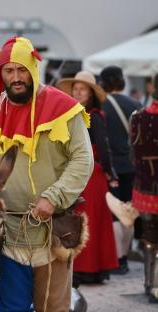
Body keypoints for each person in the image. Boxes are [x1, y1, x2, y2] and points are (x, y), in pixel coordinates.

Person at [0, 36, 93, 311]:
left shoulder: (64, 108)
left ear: (34, 69)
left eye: (22, 69)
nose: (16, 77)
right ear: (1, 73)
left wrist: (53, 197)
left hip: (53, 233)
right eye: (9, 70)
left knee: (53, 308)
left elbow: (83, 158)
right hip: (6, 234)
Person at [57, 71, 119, 286]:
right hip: (77, 173)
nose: (78, 92)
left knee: (88, 221)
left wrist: (111, 173)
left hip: (91, 175)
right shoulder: (71, 114)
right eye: (75, 89)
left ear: (91, 93)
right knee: (81, 220)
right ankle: (82, 268)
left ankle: (89, 270)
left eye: (82, 89)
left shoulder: (94, 116)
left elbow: (103, 147)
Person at [99, 65, 142, 274]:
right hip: (133, 167)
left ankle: (118, 260)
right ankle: (124, 258)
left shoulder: (102, 105)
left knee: (115, 214)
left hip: (112, 168)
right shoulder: (136, 104)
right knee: (129, 212)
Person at [129, 72, 158, 303]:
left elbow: (132, 155)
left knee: (149, 238)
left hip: (145, 187)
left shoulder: (136, 117)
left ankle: (150, 284)